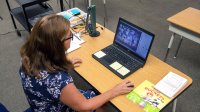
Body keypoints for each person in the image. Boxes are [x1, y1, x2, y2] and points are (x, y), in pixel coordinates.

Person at [19, 14, 134, 112]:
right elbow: (85, 106)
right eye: (70, 36)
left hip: (40, 105)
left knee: (98, 95)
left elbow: (47, 76)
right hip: (58, 108)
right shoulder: (59, 80)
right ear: (57, 45)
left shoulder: (27, 58)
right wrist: (115, 91)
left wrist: (62, 64)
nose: (71, 38)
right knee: (99, 104)